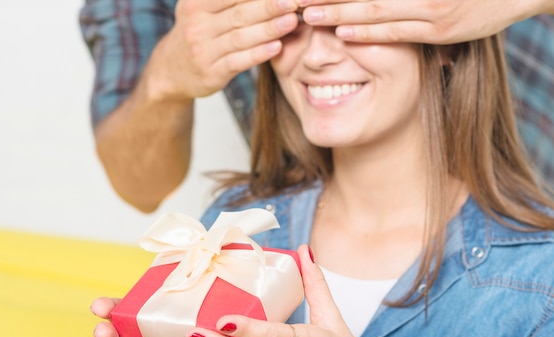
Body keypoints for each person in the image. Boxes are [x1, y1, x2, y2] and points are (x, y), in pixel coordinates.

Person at [91, 13, 554, 337]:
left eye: (355, 15)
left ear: (448, 38)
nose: (314, 55)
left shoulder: (540, 280)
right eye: (293, 18)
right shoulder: (234, 227)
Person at [78, 0, 554, 213]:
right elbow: (138, 183)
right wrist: (167, 77)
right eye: (296, 21)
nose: (317, 54)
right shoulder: (243, 241)